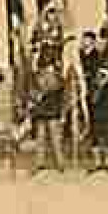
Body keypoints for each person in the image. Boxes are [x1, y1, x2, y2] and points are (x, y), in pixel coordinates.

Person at [84, 29, 108, 173]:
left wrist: (103, 83)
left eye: (105, 39)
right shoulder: (94, 57)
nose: (103, 42)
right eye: (101, 39)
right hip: (94, 99)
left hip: (107, 99)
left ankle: (107, 163)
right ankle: (97, 162)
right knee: (95, 132)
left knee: (106, 132)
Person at [30, 46, 66, 174]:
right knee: (43, 139)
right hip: (44, 110)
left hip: (50, 110)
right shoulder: (42, 76)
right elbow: (34, 92)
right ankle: (42, 164)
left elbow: (58, 92)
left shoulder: (55, 77)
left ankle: (59, 164)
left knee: (53, 139)